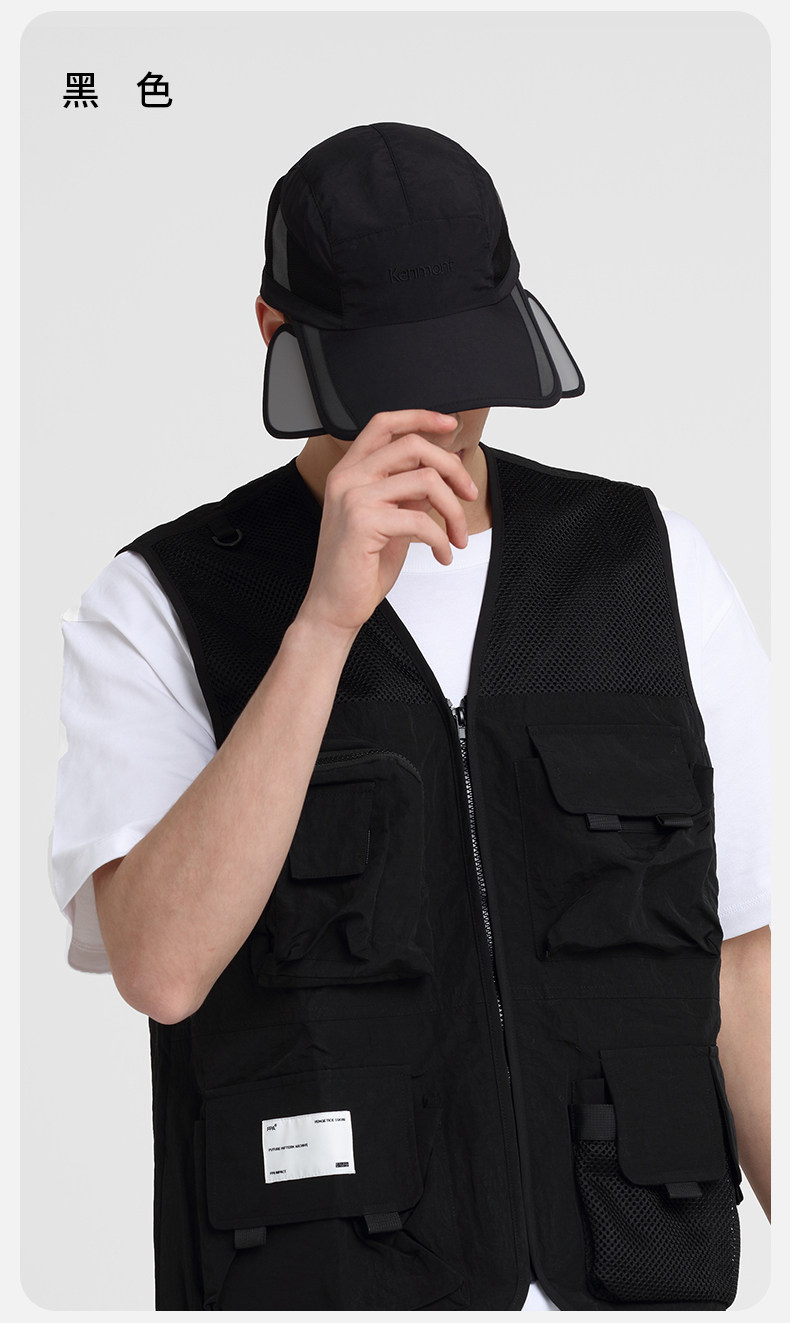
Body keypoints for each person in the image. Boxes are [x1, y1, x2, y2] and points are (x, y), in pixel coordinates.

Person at [51, 122, 769, 1311]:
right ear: (276, 331)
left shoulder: (649, 566)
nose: (435, 408)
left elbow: (742, 958)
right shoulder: (162, 599)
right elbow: (162, 969)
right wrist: (323, 625)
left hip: (640, 1277)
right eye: (390, 365)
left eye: (462, 356)